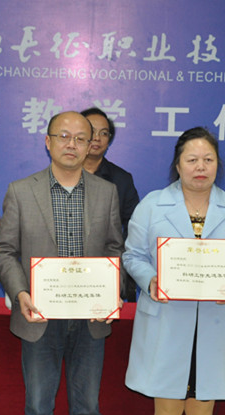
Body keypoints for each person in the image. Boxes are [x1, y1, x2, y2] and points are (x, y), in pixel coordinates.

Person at [0, 111, 123, 415]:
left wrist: (112, 291)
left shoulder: (107, 192)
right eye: (63, 136)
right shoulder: (21, 191)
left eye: (81, 138)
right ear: (47, 142)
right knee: (38, 408)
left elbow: (115, 249)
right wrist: (20, 293)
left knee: (87, 408)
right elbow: (6, 251)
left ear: (90, 145)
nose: (72, 144)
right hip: (38, 315)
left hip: (90, 318)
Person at [123, 127, 225, 415]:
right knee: (167, 408)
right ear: (178, 164)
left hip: (214, 321)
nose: (200, 167)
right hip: (166, 319)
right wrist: (150, 280)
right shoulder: (152, 205)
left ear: (218, 164)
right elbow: (133, 255)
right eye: (192, 160)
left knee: (202, 410)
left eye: (208, 159)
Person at [81, 107, 141, 301]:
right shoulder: (61, 176)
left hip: (106, 268)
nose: (97, 138)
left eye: (104, 133)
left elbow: (134, 227)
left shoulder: (121, 180)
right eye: (91, 131)